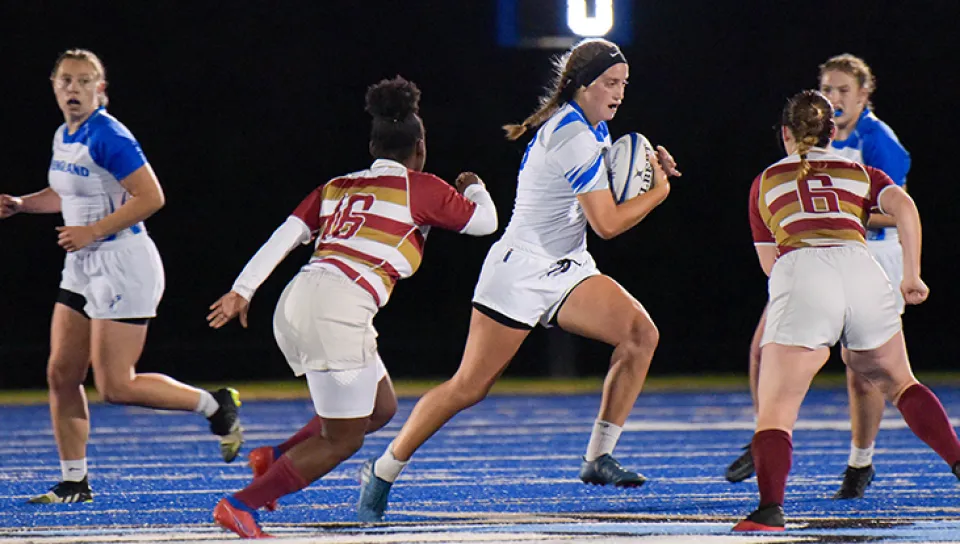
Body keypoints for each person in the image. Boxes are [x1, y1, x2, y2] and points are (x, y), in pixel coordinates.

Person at [356, 38, 682, 523]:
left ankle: (597, 458)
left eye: (624, 85)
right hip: (521, 270)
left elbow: (602, 199)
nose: (619, 93)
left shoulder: (593, 128)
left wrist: (643, 176)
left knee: (640, 334)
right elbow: (608, 224)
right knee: (469, 387)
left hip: (567, 266)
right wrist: (659, 191)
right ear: (583, 84)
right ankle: (382, 471)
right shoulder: (572, 134)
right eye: (611, 83)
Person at [207, 75, 498, 539]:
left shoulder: (337, 186)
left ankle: (275, 459)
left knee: (380, 408)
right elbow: (485, 223)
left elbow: (285, 235)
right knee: (343, 439)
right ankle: (241, 504)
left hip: (303, 299)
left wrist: (243, 288)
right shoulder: (418, 187)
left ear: (373, 145)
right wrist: (476, 187)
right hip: (337, 309)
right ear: (419, 147)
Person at [0, 49, 242, 504]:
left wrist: (91, 230)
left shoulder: (110, 134)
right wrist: (22, 203)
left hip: (123, 263)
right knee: (60, 373)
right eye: (66, 81)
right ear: (54, 87)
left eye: (84, 81)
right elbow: (67, 191)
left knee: (116, 386)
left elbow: (151, 196)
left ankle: (215, 405)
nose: (74, 89)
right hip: (84, 264)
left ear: (100, 90)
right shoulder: (64, 134)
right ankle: (75, 481)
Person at [733, 90, 960, 532]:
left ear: (785, 133)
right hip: (862, 269)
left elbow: (769, 263)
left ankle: (769, 511)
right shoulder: (859, 171)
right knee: (899, 382)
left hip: (802, 269)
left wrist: (807, 305)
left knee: (777, 410)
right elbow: (905, 207)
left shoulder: (765, 181)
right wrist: (912, 274)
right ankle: (956, 459)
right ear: (832, 133)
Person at [725, 54, 912, 501]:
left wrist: (843, 216)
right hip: (812, 258)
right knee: (760, 348)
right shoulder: (815, 139)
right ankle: (765, 432)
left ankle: (859, 463)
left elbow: (898, 210)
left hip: (868, 259)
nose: (834, 97)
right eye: (828, 89)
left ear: (864, 95)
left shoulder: (878, 142)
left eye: (843, 90)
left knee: (862, 371)